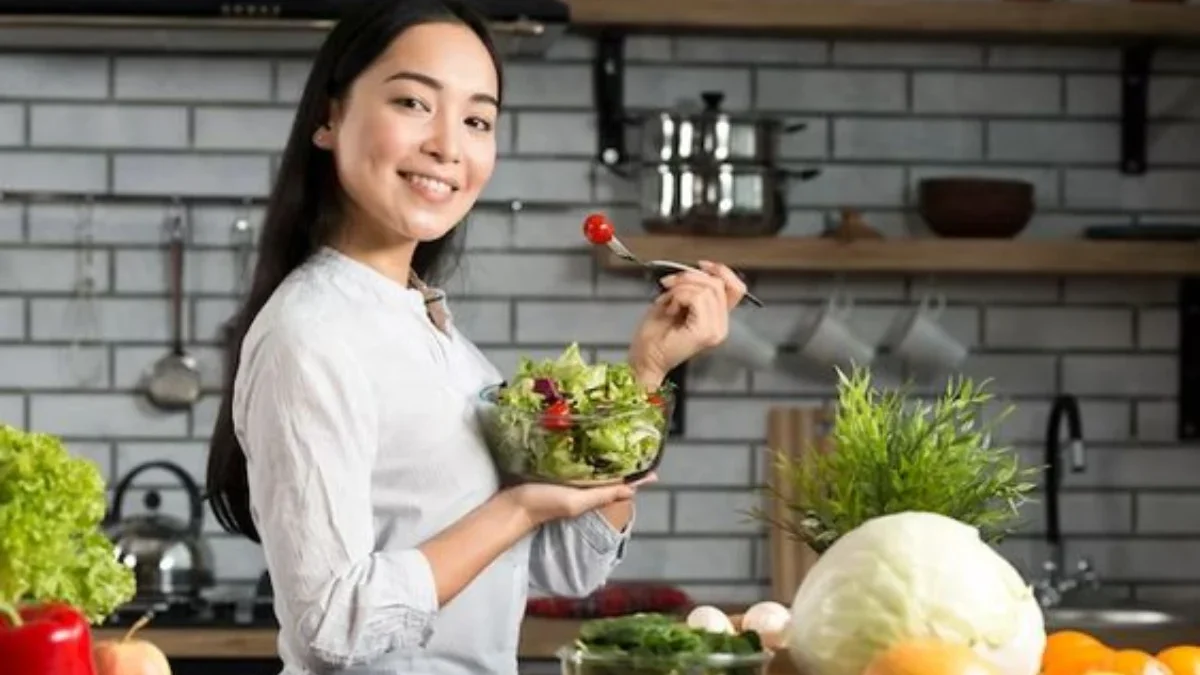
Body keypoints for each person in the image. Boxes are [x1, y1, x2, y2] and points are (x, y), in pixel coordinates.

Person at [203, 0, 747, 673]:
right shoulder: (311, 333)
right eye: (412, 102)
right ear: (329, 116)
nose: (447, 145)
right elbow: (332, 623)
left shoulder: (437, 336)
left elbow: (569, 561)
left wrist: (646, 371)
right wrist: (517, 509)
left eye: (477, 119)